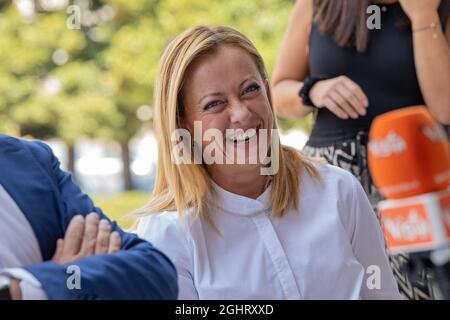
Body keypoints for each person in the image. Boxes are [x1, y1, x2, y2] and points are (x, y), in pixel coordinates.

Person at [136, 25, 401, 299]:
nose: (241, 113)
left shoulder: (339, 191)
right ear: (184, 125)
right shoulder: (167, 235)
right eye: (214, 104)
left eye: (250, 89)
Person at [271, 0, 450, 299]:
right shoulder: (317, 5)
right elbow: (278, 92)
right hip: (329, 178)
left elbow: (444, 107)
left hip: (410, 183)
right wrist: (313, 90)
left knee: (425, 289)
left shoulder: (438, 7)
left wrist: (423, 15)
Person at [0, 134, 178, 300]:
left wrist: (63, 280)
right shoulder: (168, 226)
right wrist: (33, 288)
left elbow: (153, 273)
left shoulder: (26, 160)